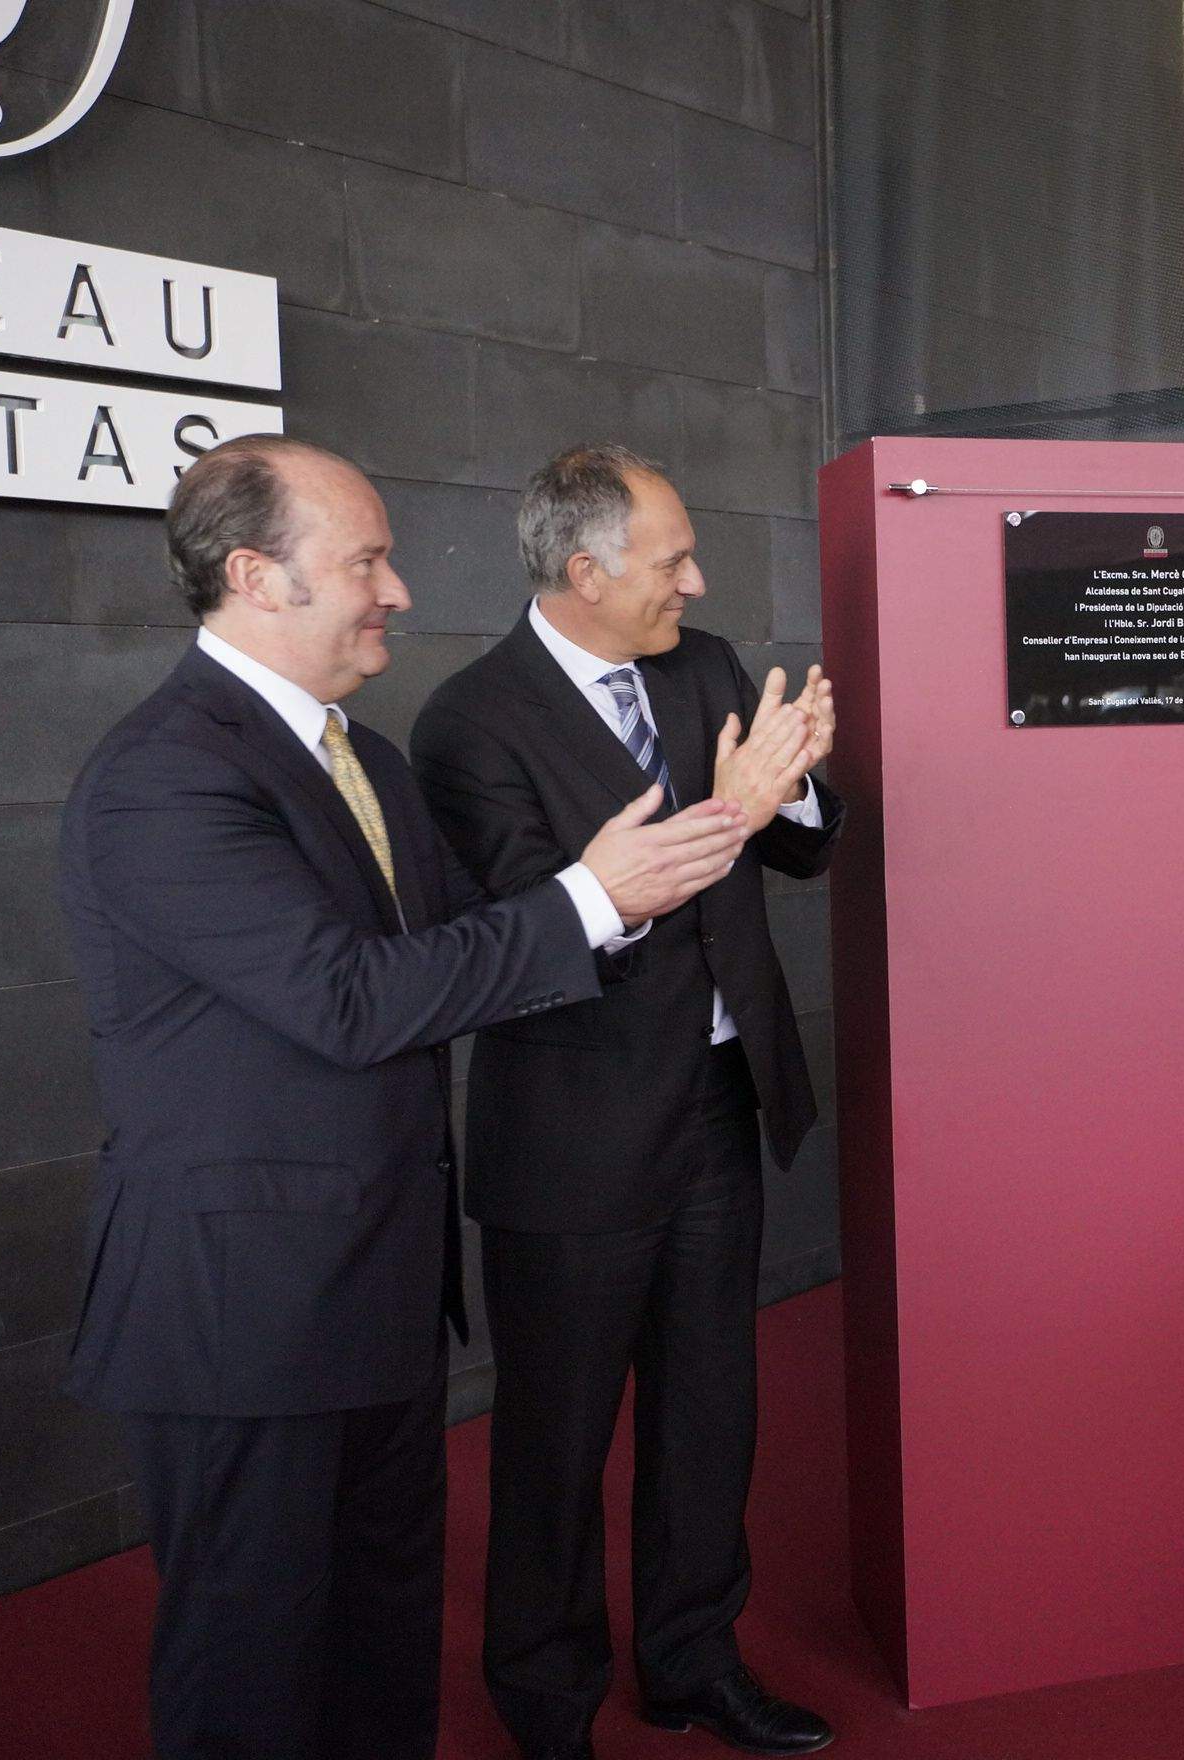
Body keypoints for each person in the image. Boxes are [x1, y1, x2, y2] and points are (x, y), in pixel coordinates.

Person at [59, 436, 753, 1760]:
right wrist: (597, 894)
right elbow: (352, 1001)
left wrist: (671, 851)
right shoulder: (164, 776)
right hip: (243, 1311)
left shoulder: (363, 759)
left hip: (380, 1288)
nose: (398, 591)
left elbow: (472, 954)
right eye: (367, 560)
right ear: (258, 577)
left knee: (382, 1638)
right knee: (253, 1659)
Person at [410, 444, 841, 1760]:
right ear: (585, 570)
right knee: (554, 1447)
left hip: (715, 1106)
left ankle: (692, 1660)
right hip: (574, 1143)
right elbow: (559, 934)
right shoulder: (470, 723)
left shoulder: (700, 664)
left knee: (711, 1415)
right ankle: (547, 1705)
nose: (696, 581)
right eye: (671, 562)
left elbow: (808, 847)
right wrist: (740, 801)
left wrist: (800, 780)